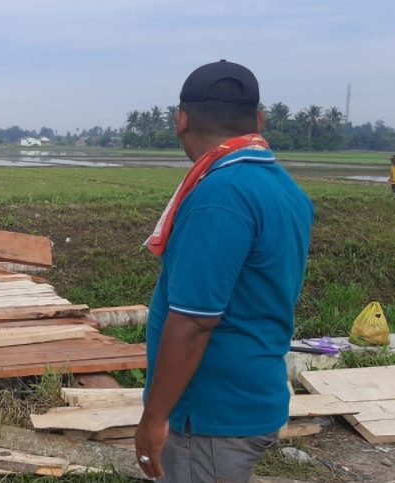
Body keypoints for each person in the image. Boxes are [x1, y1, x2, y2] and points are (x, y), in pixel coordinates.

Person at [135, 60, 314, 481]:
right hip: (253, 391)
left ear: (180, 119)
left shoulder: (221, 196)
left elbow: (195, 320)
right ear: (259, 119)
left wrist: (154, 418)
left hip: (213, 413)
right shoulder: (282, 187)